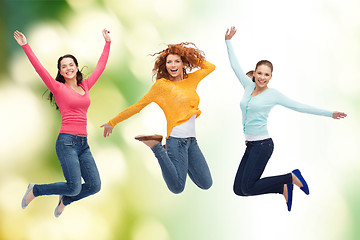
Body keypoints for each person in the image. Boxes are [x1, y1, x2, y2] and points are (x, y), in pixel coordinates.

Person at [225, 26, 347, 211]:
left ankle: (290, 177)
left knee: (248, 187)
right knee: (238, 190)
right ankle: (282, 187)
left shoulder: (273, 95)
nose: (262, 77)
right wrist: (228, 42)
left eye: (266, 75)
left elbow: (300, 106)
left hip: (262, 146)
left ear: (270, 77)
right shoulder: (247, 87)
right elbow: (235, 66)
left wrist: (330, 113)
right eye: (259, 73)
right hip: (250, 146)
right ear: (255, 73)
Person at [14, 28, 111, 217]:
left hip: (83, 144)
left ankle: (65, 199)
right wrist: (25, 46)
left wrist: (107, 42)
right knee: (74, 187)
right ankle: (35, 190)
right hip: (66, 143)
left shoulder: (85, 86)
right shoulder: (57, 88)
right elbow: (39, 69)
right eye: (63, 66)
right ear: (60, 71)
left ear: (76, 67)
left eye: (71, 64)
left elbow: (100, 66)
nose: (68, 68)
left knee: (95, 185)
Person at [101, 42, 215, 194]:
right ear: (165, 65)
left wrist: (188, 55)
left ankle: (173, 158)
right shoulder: (161, 86)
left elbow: (210, 67)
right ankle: (156, 147)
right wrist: (112, 122)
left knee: (206, 183)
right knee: (177, 187)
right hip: (176, 141)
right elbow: (137, 106)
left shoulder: (191, 80)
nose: (172, 65)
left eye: (177, 61)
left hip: (192, 142)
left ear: (183, 63)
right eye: (169, 62)